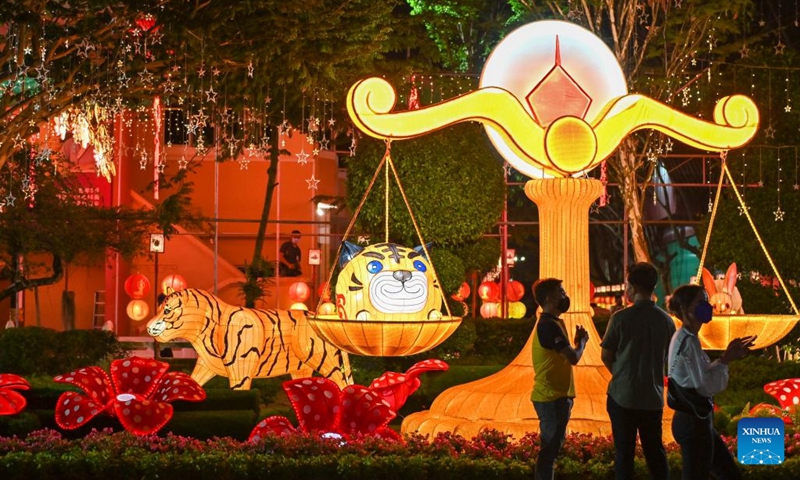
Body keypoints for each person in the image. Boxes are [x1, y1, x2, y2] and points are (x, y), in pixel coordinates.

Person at [667, 284, 755, 480]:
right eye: (700, 302)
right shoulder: (687, 341)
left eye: (706, 301)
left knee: (728, 473)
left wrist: (726, 356)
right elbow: (703, 385)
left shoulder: (687, 338)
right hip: (693, 422)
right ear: (684, 310)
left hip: (695, 419)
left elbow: (701, 374)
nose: (707, 306)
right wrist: (725, 360)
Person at [600, 262, 676, 480]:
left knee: (624, 453)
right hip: (652, 398)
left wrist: (621, 373)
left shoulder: (621, 318)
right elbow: (671, 358)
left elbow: (606, 355)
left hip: (621, 395)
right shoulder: (666, 321)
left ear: (631, 286)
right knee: (655, 452)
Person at [531, 278, 589, 480]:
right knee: (549, 452)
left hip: (556, 395)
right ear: (548, 298)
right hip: (550, 396)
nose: (565, 297)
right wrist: (581, 343)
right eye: (561, 293)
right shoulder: (548, 325)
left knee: (552, 449)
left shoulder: (554, 323)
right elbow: (573, 357)